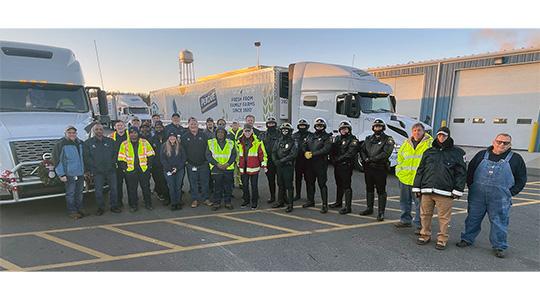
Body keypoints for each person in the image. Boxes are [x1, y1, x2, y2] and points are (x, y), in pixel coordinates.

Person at [456, 133, 527, 258]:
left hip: (500, 198)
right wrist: (471, 185)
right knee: (473, 218)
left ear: (510, 145)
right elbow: (470, 171)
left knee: (499, 222)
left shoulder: (516, 159)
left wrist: (511, 192)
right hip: (477, 195)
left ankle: (499, 246)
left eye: (505, 143)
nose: (501, 144)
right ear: (494, 141)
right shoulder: (481, 155)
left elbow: (521, 179)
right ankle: (467, 239)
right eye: (499, 141)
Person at [413, 126, 466, 250]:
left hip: (445, 192)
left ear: (448, 136)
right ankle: (424, 235)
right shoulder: (429, 151)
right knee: (425, 215)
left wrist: (458, 189)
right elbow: (421, 170)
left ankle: (442, 239)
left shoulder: (457, 153)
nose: (441, 138)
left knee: (444, 218)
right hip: (427, 190)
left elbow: (461, 173)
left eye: (444, 135)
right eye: (439, 135)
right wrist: (417, 187)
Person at [394, 123, 433, 233]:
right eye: (415, 130)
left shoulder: (429, 144)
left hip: (420, 180)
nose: (417, 132)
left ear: (423, 131)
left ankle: (420, 225)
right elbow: (400, 158)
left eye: (419, 130)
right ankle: (405, 220)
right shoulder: (406, 143)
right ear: (412, 132)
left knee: (420, 204)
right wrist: (399, 172)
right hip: (405, 178)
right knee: (404, 201)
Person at [358, 119, 394, 221]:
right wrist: (365, 158)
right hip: (369, 168)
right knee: (369, 188)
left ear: (383, 128)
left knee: (381, 190)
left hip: (380, 168)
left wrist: (371, 159)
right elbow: (362, 150)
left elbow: (386, 153)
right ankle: (369, 208)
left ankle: (381, 212)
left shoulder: (388, 139)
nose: (377, 128)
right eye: (376, 126)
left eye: (379, 126)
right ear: (373, 128)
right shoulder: (368, 138)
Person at [84, 124, 120, 215]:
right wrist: (93, 168)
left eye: (100, 129)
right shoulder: (88, 143)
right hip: (97, 172)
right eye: (96, 129)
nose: (99, 131)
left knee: (114, 189)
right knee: (99, 191)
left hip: (110, 170)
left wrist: (112, 164)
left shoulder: (110, 141)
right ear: (93, 131)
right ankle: (100, 208)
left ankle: (114, 206)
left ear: (103, 130)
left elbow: (115, 154)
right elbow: (87, 158)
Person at [117, 128, 155, 212]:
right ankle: (133, 205)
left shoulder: (144, 142)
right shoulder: (124, 144)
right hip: (131, 170)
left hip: (143, 169)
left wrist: (148, 167)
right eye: (131, 133)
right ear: (129, 134)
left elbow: (151, 154)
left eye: (135, 133)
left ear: (138, 133)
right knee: (132, 189)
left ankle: (148, 203)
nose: (133, 135)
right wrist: (125, 169)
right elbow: (121, 158)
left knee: (146, 188)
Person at [52, 125, 86, 219]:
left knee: (79, 192)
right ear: (65, 133)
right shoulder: (60, 144)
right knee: (70, 193)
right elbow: (57, 160)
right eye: (69, 132)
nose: (72, 134)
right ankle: (72, 211)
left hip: (80, 173)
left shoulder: (80, 143)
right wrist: (61, 174)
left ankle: (80, 209)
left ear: (76, 133)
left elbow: (84, 158)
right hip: (69, 174)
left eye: (73, 133)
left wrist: (85, 171)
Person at [303, 117, 332, 213]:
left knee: (322, 184)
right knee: (310, 183)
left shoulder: (327, 137)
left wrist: (313, 154)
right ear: (315, 126)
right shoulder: (310, 136)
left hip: (321, 163)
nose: (319, 127)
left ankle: (324, 204)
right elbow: (304, 145)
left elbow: (326, 149)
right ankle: (310, 201)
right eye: (317, 125)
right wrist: (305, 152)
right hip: (310, 164)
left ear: (324, 126)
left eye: (321, 126)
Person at [329, 121, 359, 215]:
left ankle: (348, 207)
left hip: (346, 165)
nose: (343, 130)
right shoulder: (338, 138)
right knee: (339, 184)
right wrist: (333, 159)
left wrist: (338, 159)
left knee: (346, 186)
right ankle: (338, 202)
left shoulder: (353, 139)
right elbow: (333, 150)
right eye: (342, 129)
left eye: (345, 129)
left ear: (349, 130)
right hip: (337, 166)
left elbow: (350, 153)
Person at [182, 117, 212, 208]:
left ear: (198, 125)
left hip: (203, 164)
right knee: (193, 183)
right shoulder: (185, 136)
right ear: (188, 125)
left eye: (195, 124)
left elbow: (209, 149)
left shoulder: (203, 135)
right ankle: (195, 199)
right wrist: (186, 162)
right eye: (191, 124)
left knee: (205, 182)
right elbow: (182, 151)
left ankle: (206, 198)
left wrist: (207, 160)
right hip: (191, 165)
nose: (193, 125)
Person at [236, 123, 267, 209]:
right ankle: (246, 201)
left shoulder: (258, 142)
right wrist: (238, 162)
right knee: (245, 186)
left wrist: (264, 165)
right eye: (246, 131)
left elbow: (262, 154)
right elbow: (237, 153)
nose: (247, 133)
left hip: (253, 168)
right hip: (243, 167)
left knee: (254, 186)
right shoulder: (238, 141)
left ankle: (254, 202)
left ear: (252, 131)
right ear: (243, 131)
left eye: (249, 131)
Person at [206, 126, 237, 211]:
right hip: (216, 168)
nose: (220, 134)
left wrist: (228, 163)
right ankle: (217, 203)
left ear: (225, 134)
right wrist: (217, 164)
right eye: (218, 132)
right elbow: (208, 155)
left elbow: (234, 155)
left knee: (228, 187)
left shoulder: (231, 143)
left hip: (228, 168)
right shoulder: (211, 142)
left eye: (222, 132)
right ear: (216, 134)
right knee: (217, 187)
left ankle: (228, 202)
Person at [271, 123, 298, 212]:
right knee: (280, 184)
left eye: (286, 130)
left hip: (288, 166)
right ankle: (280, 201)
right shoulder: (278, 140)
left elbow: (293, 154)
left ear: (290, 131)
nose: (284, 132)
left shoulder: (293, 141)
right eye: (283, 130)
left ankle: (290, 204)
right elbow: (274, 152)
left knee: (289, 185)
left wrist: (281, 161)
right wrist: (275, 161)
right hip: (279, 166)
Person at [161, 131, 187, 211]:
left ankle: (178, 202)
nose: (172, 138)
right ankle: (173, 203)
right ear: (168, 138)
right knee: (171, 187)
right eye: (170, 136)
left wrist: (177, 168)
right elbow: (162, 159)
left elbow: (183, 158)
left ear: (176, 138)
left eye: (173, 136)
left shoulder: (180, 147)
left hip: (179, 170)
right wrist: (170, 169)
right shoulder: (164, 146)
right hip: (168, 170)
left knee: (178, 187)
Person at [260, 116, 280, 204]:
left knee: (281, 180)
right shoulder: (263, 135)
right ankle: (272, 196)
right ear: (267, 125)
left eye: (272, 123)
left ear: (275, 124)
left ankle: (283, 197)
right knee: (271, 180)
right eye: (269, 124)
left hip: (279, 160)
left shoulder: (280, 133)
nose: (271, 125)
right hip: (268, 161)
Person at [110, 121, 129, 208]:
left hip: (129, 163)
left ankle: (132, 201)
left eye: (121, 125)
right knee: (118, 185)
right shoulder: (111, 137)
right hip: (117, 165)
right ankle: (119, 202)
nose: (120, 127)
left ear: (125, 126)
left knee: (130, 184)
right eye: (118, 125)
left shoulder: (130, 134)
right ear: (115, 127)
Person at [150, 121, 170, 205]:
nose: (158, 129)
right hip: (156, 165)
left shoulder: (168, 138)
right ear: (154, 129)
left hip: (167, 164)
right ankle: (163, 196)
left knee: (167, 182)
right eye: (156, 127)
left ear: (163, 127)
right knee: (159, 182)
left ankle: (169, 198)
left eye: (160, 127)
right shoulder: (152, 139)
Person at [292, 118, 311, 201]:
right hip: (298, 160)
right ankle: (298, 195)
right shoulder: (294, 135)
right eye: (300, 126)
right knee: (298, 178)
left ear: (307, 126)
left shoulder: (311, 135)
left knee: (308, 179)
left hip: (308, 161)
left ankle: (309, 196)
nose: (302, 127)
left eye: (304, 126)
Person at [227, 119, 243, 188]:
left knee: (241, 170)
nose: (235, 125)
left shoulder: (242, 132)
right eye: (233, 124)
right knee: (232, 171)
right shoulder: (228, 133)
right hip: (231, 155)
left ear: (238, 125)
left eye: (236, 124)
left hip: (240, 154)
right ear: (231, 125)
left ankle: (241, 183)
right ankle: (232, 183)